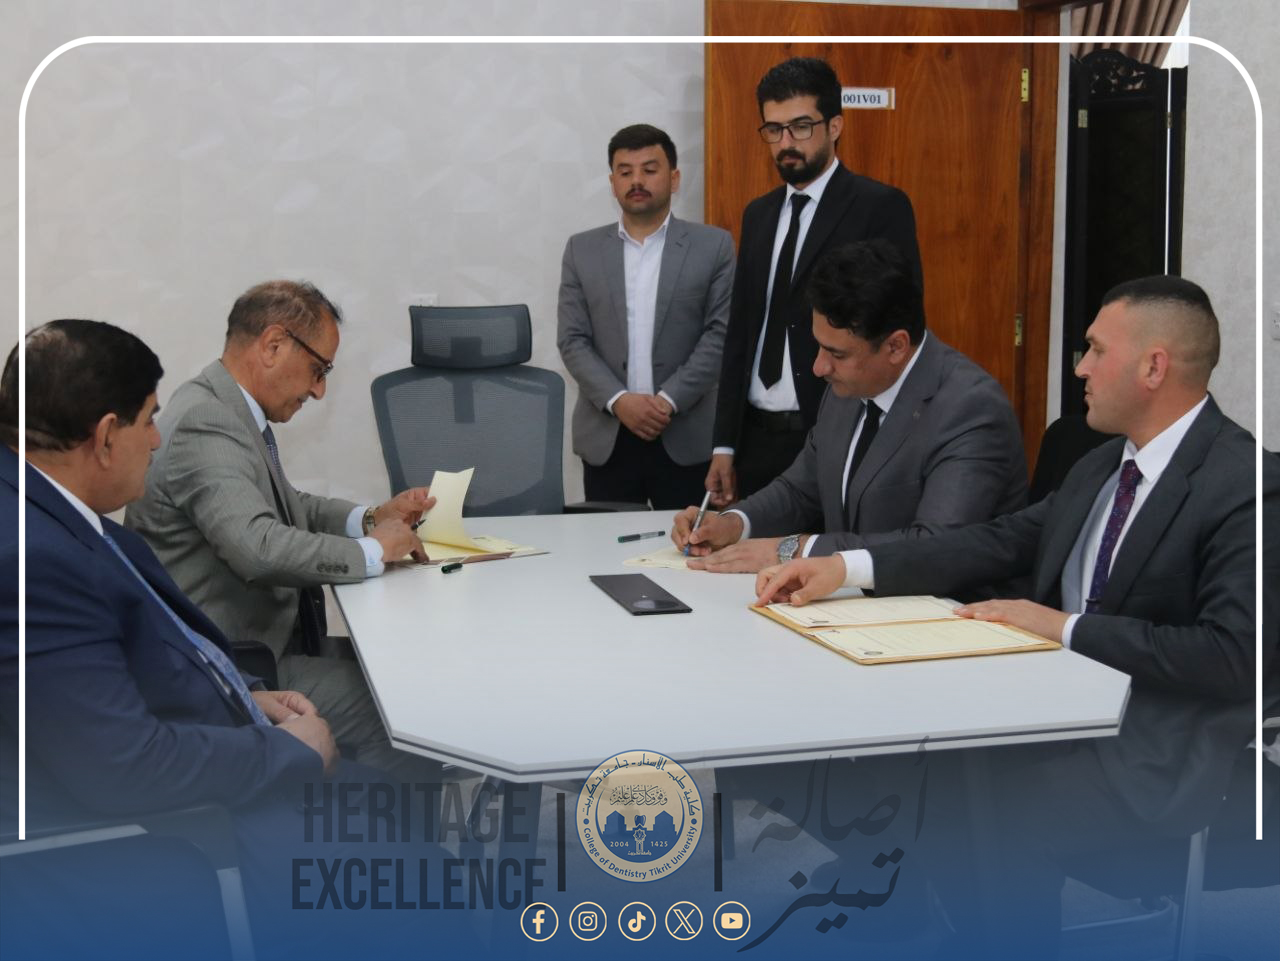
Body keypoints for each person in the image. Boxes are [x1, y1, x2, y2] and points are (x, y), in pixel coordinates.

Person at [756, 275, 1277, 957]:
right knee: (916, 761)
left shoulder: (1246, 484)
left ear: (1154, 367)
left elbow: (1236, 657)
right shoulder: (1101, 466)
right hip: (1052, 710)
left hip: (1155, 746)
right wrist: (848, 567)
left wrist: (1062, 627)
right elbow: (998, 540)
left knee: (983, 808)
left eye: (1096, 350)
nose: (1080, 367)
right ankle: (921, 912)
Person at [0, 320, 465, 957]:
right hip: (176, 834)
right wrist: (285, 751)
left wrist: (247, 695)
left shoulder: (47, 508)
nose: (157, 439)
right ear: (107, 436)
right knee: (426, 880)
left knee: (390, 811)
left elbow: (138, 657)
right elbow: (122, 766)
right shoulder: (31, 560)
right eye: (148, 421)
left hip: (203, 742)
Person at [125, 280, 430, 778]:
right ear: (272, 345)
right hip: (236, 661)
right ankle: (377, 824)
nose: (319, 390)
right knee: (400, 702)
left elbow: (288, 506)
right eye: (319, 369)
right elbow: (258, 547)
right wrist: (373, 551)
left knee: (398, 665)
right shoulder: (208, 420)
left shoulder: (227, 408)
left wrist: (371, 518)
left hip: (266, 639)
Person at [673, 239, 1025, 572]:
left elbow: (935, 545)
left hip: (948, 607)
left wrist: (794, 549)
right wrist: (734, 524)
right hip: (851, 601)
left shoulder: (971, 409)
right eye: (819, 346)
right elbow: (801, 489)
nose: (819, 367)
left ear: (896, 346)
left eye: (837, 354)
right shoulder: (849, 384)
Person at [708, 56, 923, 506]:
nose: (786, 142)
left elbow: (901, 326)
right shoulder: (759, 214)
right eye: (774, 129)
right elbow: (742, 330)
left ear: (835, 126)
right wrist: (724, 444)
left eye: (801, 127)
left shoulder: (878, 206)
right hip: (755, 439)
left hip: (837, 432)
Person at [557, 123, 734, 508]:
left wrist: (667, 401)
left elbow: (720, 336)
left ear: (674, 178)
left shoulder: (714, 246)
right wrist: (620, 400)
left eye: (650, 170)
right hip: (608, 437)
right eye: (625, 172)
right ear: (613, 182)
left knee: (688, 542)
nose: (636, 180)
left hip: (686, 435)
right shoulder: (581, 250)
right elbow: (572, 340)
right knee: (605, 544)